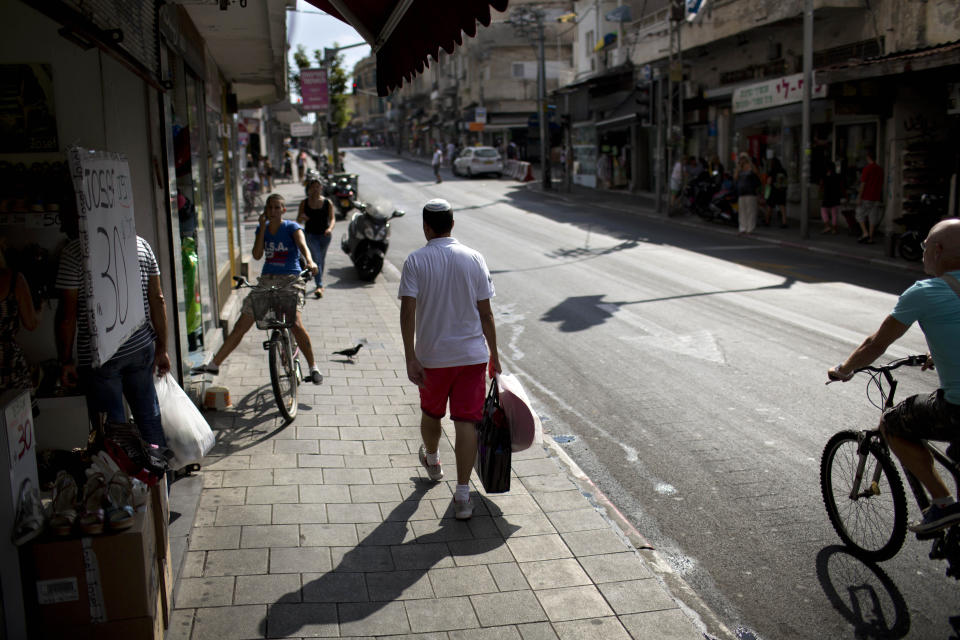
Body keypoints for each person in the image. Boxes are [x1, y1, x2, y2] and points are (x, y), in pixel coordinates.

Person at [829, 219, 960, 534]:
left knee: (892, 423)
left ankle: (943, 504)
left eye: (925, 247)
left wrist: (845, 369)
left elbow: (876, 343)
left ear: (938, 251)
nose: (923, 253)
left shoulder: (927, 291)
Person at [399, 199, 501, 520]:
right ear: (453, 224)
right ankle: (462, 495)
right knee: (466, 422)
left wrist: (410, 357)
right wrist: (494, 356)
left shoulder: (415, 261)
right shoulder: (474, 258)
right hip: (471, 358)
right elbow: (486, 314)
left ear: (426, 227)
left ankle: (433, 459)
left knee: (431, 413)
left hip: (432, 358)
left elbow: (407, 311)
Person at [56, 228, 170, 447]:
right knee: (148, 418)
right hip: (140, 347)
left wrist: (66, 360)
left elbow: (67, 314)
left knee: (114, 429)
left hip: (100, 354)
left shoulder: (75, 251)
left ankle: (124, 480)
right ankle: (157, 478)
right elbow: (157, 299)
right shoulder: (140, 245)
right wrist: (162, 347)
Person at [193, 194, 323, 384]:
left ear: (283, 210)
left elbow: (303, 246)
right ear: (266, 211)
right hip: (267, 280)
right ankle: (214, 365)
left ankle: (313, 367)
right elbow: (256, 255)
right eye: (270, 208)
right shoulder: (263, 229)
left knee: (294, 322)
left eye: (277, 208)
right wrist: (262, 228)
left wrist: (310, 262)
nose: (273, 211)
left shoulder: (291, 227)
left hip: (290, 279)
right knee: (242, 323)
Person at [0, 243, 40, 395]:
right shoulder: (14, 280)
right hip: (9, 364)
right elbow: (31, 323)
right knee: (15, 414)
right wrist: (40, 307)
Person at [296, 179, 335, 299]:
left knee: (321, 260)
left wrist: (330, 229)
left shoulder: (327, 203)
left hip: (325, 236)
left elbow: (332, 219)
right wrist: (302, 217)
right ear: (309, 189)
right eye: (313, 187)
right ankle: (319, 286)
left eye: (318, 187)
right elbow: (298, 220)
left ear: (321, 188)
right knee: (317, 259)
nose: (315, 189)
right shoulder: (304, 203)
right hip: (310, 235)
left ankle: (319, 280)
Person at [856, 148, 884, 244]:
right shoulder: (880, 169)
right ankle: (870, 237)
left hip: (866, 196)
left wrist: (859, 197)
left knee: (859, 214)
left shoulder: (867, 169)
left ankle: (865, 233)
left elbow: (863, 184)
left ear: (868, 157)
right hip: (876, 197)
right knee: (873, 216)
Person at [735, 153, 761, 235]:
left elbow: (757, 175)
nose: (742, 160)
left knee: (751, 211)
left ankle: (750, 228)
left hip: (751, 192)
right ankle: (743, 228)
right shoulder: (739, 169)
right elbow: (735, 178)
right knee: (742, 211)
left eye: (743, 158)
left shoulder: (751, 167)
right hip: (741, 192)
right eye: (741, 158)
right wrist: (738, 168)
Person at [820, 163, 844, 234]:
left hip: (827, 196)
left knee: (824, 210)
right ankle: (834, 229)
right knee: (834, 213)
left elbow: (821, 185)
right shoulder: (837, 176)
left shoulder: (824, 176)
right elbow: (841, 186)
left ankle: (827, 226)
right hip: (836, 196)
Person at [764, 157, 788, 228]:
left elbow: (769, 182)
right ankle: (784, 222)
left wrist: (766, 191)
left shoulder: (772, 171)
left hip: (773, 191)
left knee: (770, 206)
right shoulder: (783, 171)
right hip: (782, 191)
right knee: (782, 206)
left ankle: (767, 221)